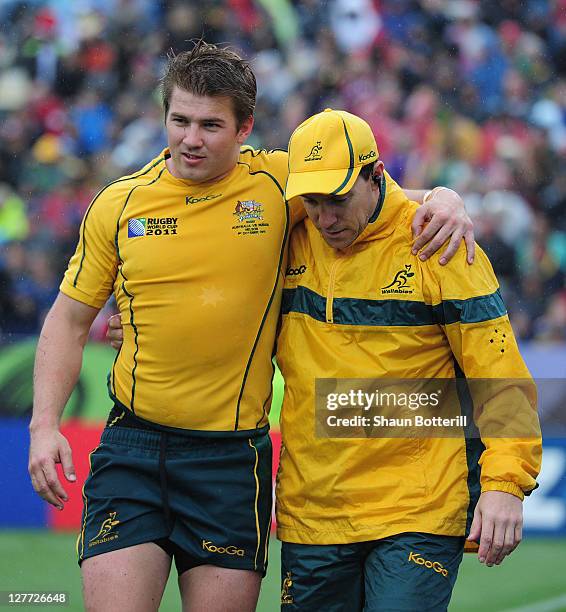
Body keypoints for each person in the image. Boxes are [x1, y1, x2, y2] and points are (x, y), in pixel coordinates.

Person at [29, 41, 474, 612]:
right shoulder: (119, 205)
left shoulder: (278, 186)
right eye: (180, 120)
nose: (191, 138)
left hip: (230, 462)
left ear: (245, 128)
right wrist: (45, 426)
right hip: (133, 449)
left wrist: (445, 197)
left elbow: (379, 199)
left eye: (211, 125)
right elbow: (68, 320)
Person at [275, 108, 542, 611]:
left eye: (337, 200)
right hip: (312, 512)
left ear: (376, 175)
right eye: (311, 202)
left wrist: (506, 482)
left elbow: (500, 375)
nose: (325, 218)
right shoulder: (284, 238)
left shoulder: (440, 243)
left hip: (418, 510)